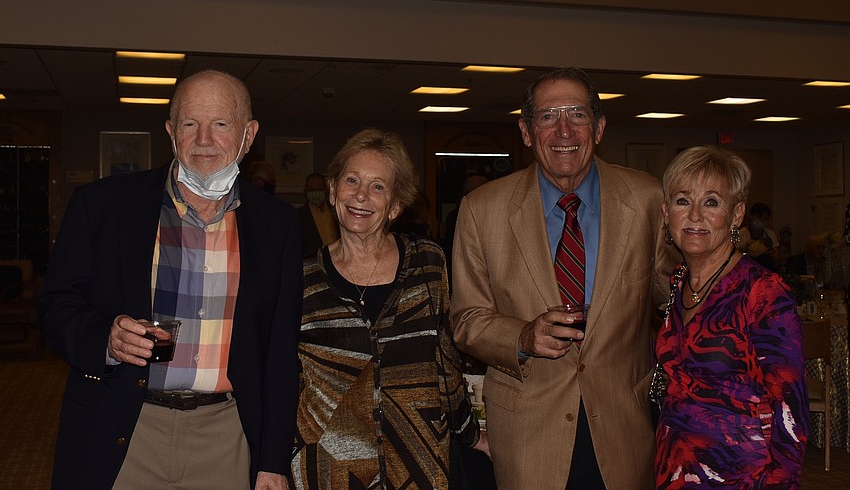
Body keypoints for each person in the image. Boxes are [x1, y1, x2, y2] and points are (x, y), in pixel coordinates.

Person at [38, 70, 303, 490]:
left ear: (248, 135)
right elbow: (56, 306)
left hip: (227, 437)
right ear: (170, 131)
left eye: (221, 124)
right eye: (189, 123)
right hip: (123, 427)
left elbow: (280, 352)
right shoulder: (102, 206)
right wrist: (105, 337)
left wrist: (273, 460)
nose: (204, 139)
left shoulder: (278, 225)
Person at [451, 67, 676, 490]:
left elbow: (675, 297)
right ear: (526, 131)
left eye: (577, 114)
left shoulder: (646, 199)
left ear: (599, 127)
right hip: (528, 433)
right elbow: (466, 319)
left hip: (624, 430)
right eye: (548, 116)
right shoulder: (482, 210)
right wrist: (522, 336)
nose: (564, 130)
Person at [291, 128, 489, 489]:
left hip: (417, 464)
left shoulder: (427, 263)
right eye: (352, 180)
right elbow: (287, 379)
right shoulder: (302, 278)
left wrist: (470, 434)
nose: (361, 195)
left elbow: (444, 359)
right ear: (333, 191)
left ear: (395, 206)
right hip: (329, 470)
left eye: (378, 186)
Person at [656, 145, 808, 488]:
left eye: (711, 202)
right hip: (674, 468)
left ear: (737, 214)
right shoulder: (678, 280)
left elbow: (791, 413)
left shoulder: (763, 292)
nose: (695, 215)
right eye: (683, 201)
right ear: (666, 213)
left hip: (741, 476)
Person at [297, 172, 339, 257]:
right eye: (312, 190)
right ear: (305, 192)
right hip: (314, 262)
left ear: (325, 190)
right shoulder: (298, 216)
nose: (316, 193)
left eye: (319, 189)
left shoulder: (336, 211)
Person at [737, 202, 780, 270]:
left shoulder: (770, 234)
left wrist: (776, 254)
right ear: (751, 215)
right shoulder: (741, 234)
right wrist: (744, 248)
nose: (761, 220)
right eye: (759, 217)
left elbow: (777, 256)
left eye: (764, 218)